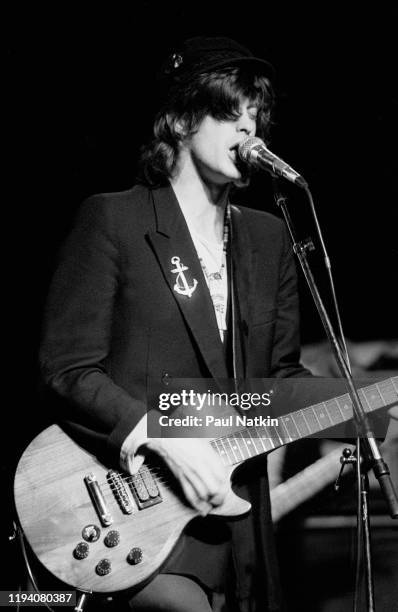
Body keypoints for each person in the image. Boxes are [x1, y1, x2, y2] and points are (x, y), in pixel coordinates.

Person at [39, 36, 397, 612]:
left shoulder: (268, 237)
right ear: (181, 120)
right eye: (231, 114)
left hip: (239, 525)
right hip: (136, 505)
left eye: (256, 117)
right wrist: (160, 435)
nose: (249, 131)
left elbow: (274, 385)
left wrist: (378, 405)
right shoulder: (115, 219)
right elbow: (67, 368)